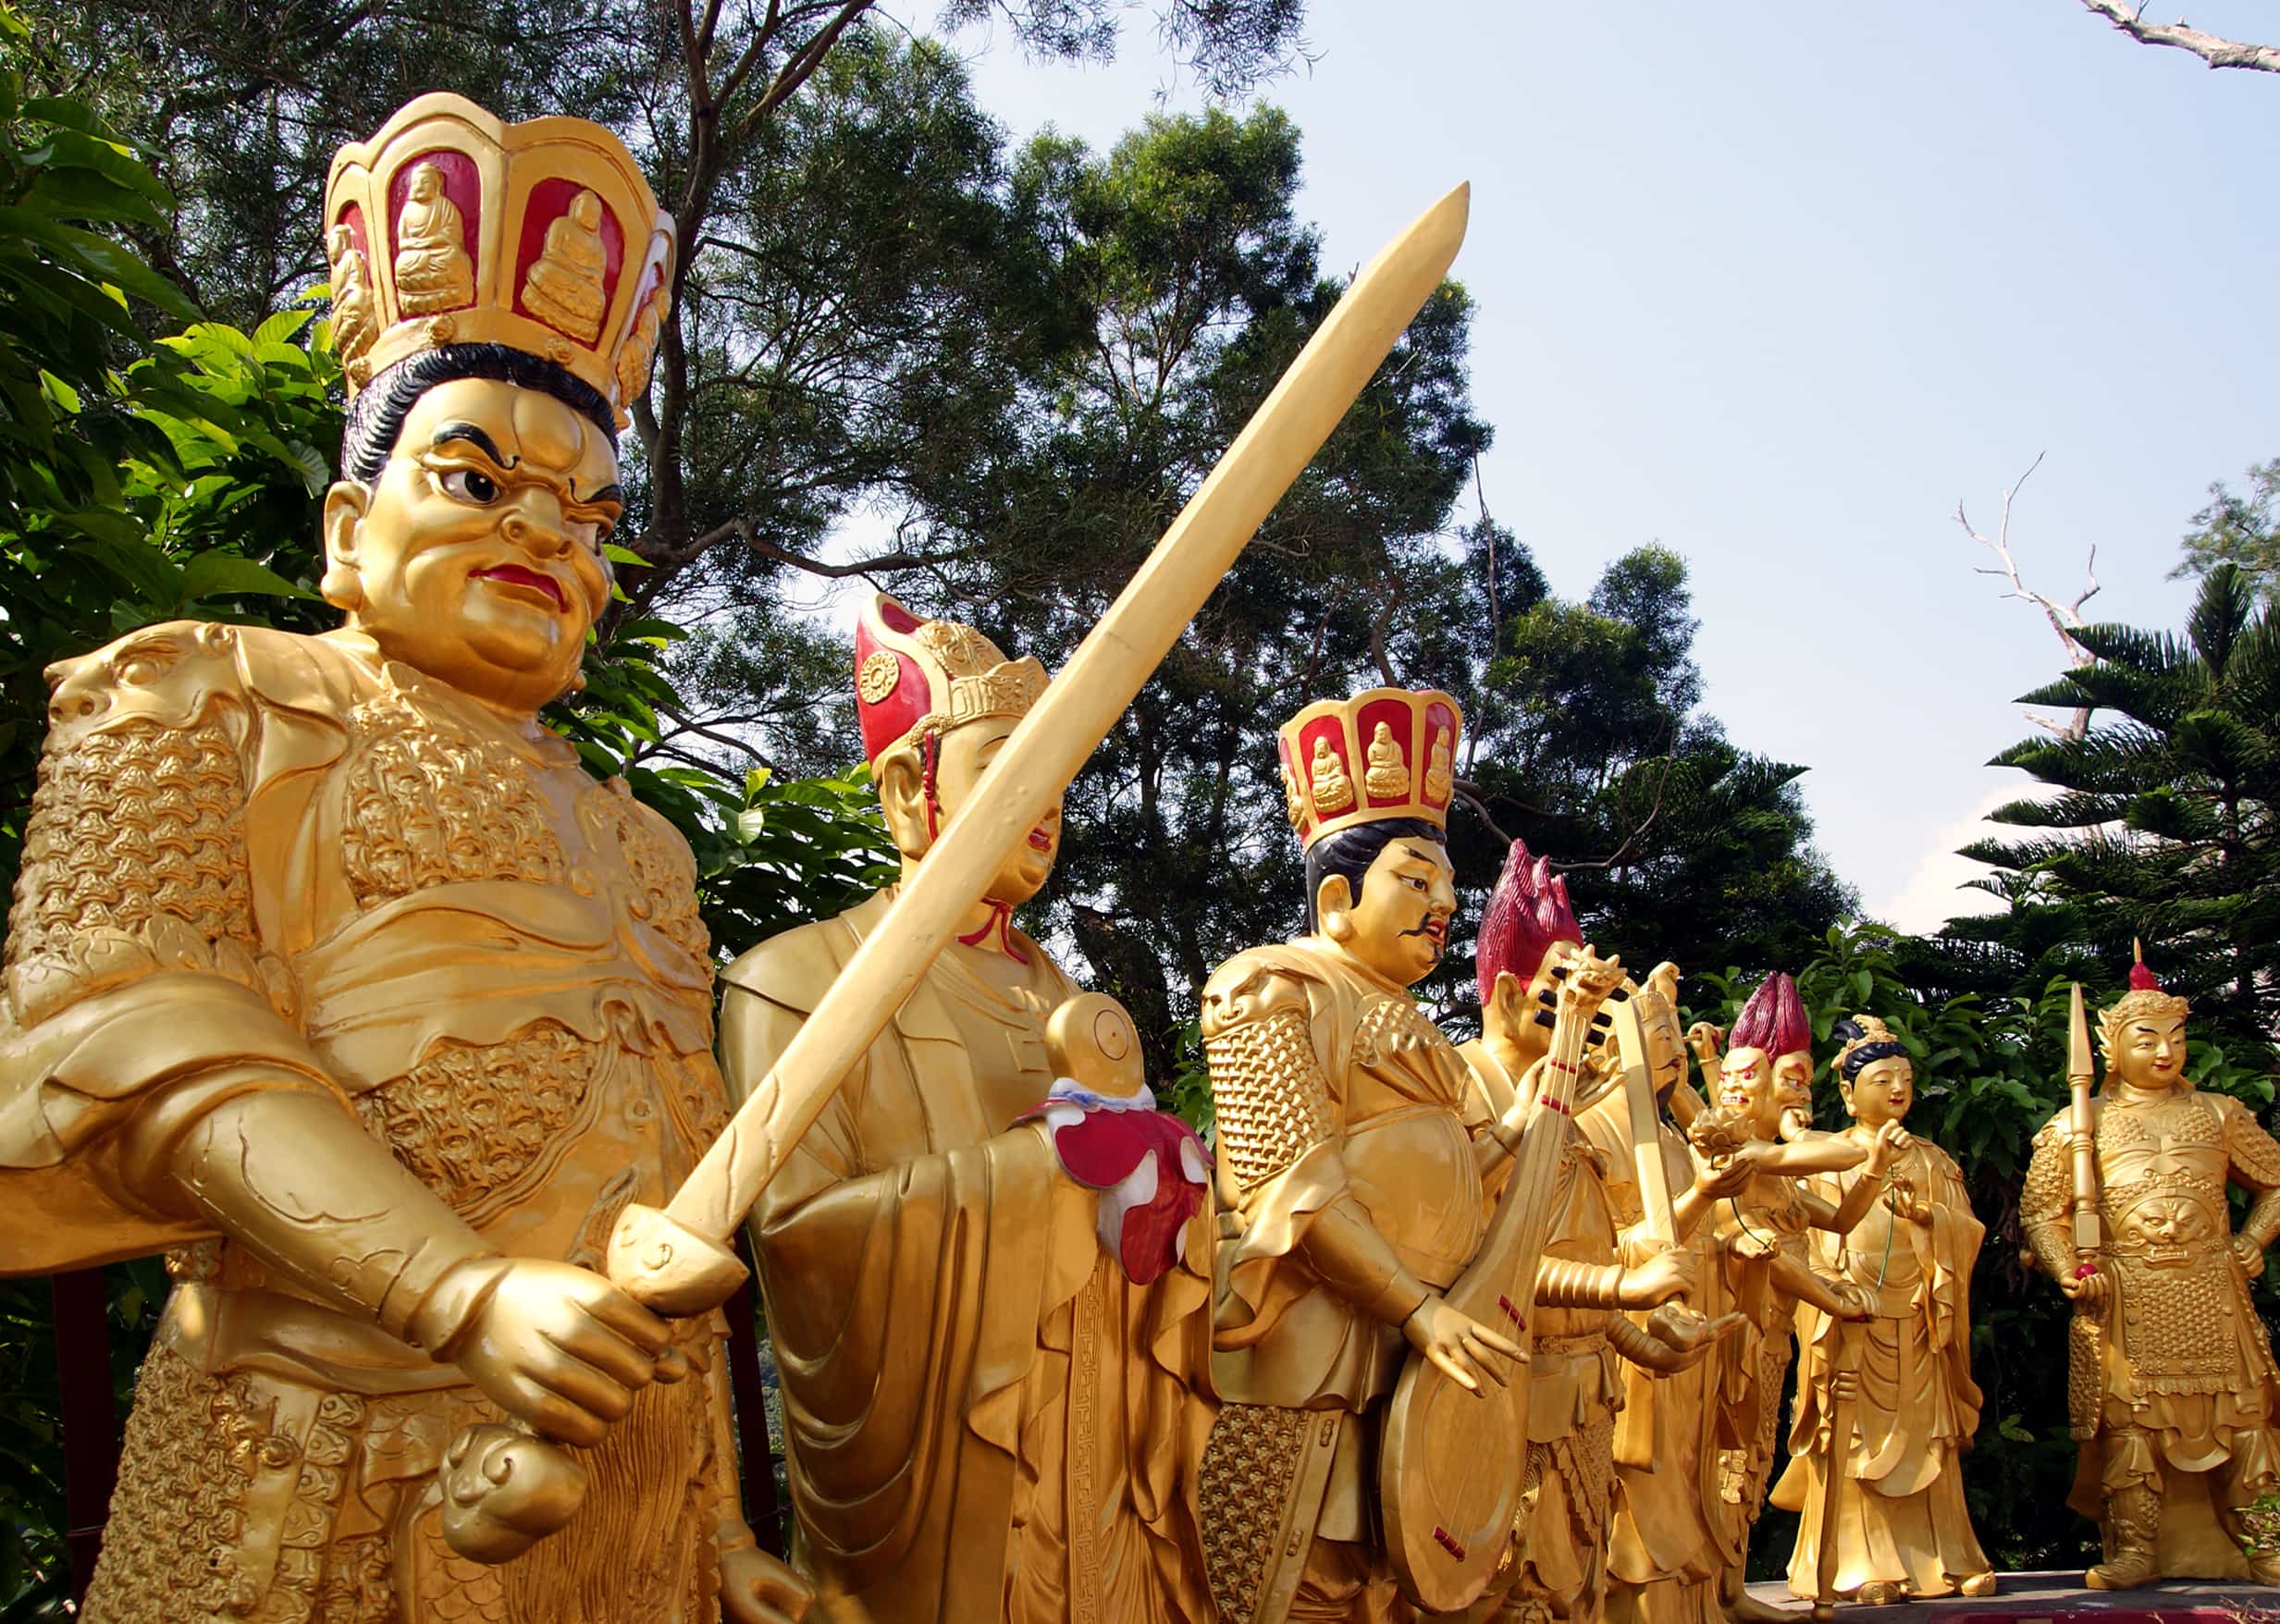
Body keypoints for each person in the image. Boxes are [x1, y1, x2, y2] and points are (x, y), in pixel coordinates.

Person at [0, 93, 806, 1624]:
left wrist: (709, 1533)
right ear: (347, 528)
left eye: (590, 516)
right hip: (307, 1462)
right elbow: (142, 1048)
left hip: (608, 1512)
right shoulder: (204, 696)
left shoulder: (644, 848)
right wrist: (461, 1292)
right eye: (479, 479)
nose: (547, 534)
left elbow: (663, 1204)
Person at [717, 595, 1215, 1624]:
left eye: (1060, 781)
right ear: (909, 789)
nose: (1045, 804)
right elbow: (797, 1240)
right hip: (943, 1479)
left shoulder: (1068, 999)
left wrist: (1170, 1185)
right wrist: (1043, 1170)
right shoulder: (795, 980)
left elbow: (1122, 1222)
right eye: (1007, 770)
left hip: (1096, 1447)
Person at [1199, 688, 1690, 1624]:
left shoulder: (1416, 1026)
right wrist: (1412, 1306)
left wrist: (1564, 1057)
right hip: (1322, 1341)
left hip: (1433, 1344)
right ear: (1337, 896)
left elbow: (1480, 1166)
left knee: (1415, 1579)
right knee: (1309, 1575)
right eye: (1414, 880)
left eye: (1445, 889)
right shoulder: (1267, 988)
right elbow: (1290, 1188)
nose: (1441, 907)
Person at [2022, 951, 2280, 1588]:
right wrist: (2067, 1268)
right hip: (2127, 1293)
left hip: (2210, 1287)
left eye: (2176, 1037)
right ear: (2111, 1046)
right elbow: (2039, 1215)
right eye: (2148, 1038)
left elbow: (2274, 1185)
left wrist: (2253, 1238)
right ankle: (2134, 1549)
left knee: (2241, 1417)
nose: (2165, 1052)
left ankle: (2264, 1542)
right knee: (2130, 1425)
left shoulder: (2219, 1114)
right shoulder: (2077, 1126)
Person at [1773, 1015, 1994, 1604]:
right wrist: (1831, 1298)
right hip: (1851, 1319)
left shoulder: (1932, 1160)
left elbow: (1969, 1232)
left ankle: (1947, 1555)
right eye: (1881, 1079)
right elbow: (1797, 1239)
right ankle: (1855, 1562)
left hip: (1922, 1319)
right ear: (1847, 1092)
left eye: (1905, 1078)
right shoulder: (1818, 1156)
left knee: (1930, 1440)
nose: (1897, 1090)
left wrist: (1930, 1220)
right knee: (1854, 1442)